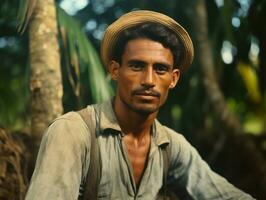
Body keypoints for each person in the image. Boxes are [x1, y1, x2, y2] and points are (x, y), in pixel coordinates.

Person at [25, 10, 255, 200]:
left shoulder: (170, 146)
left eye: (160, 69)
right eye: (136, 66)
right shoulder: (73, 133)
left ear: (173, 79)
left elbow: (223, 195)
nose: (148, 80)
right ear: (115, 70)